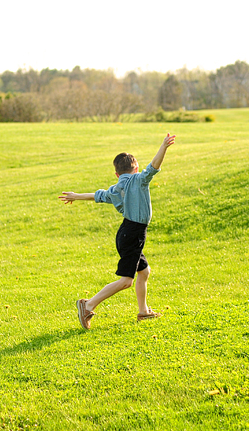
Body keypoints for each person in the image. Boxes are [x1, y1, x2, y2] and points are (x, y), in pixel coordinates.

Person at [60, 133, 176, 330]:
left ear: (117, 174)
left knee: (144, 271)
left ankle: (143, 311)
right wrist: (164, 146)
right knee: (126, 281)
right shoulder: (140, 180)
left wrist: (76, 196)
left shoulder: (116, 188)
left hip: (127, 233)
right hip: (132, 235)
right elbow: (154, 166)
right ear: (136, 168)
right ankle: (87, 305)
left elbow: (97, 196)